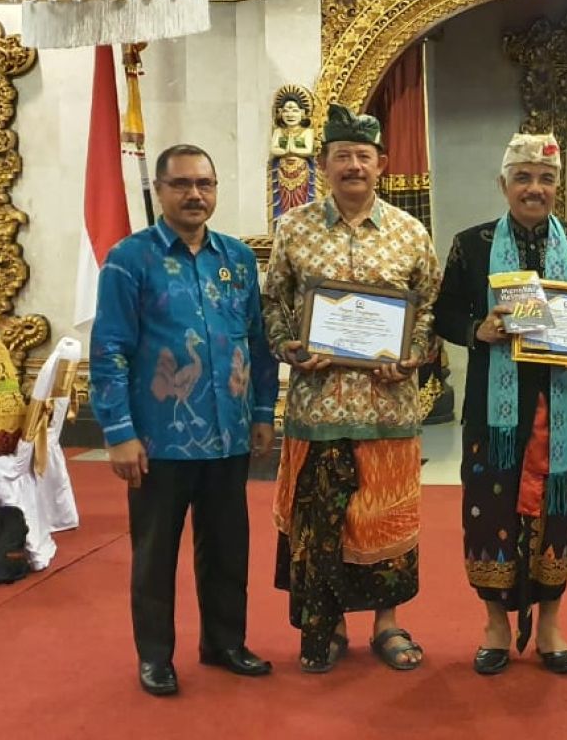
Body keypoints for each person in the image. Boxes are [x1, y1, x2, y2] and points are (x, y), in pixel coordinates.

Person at [90, 144, 279, 696]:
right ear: (161, 190)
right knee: (156, 553)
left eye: (205, 184)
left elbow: (258, 342)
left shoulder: (237, 258)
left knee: (227, 546)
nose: (195, 195)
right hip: (159, 439)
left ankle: (224, 643)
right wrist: (119, 434)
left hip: (228, 434)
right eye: (182, 185)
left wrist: (263, 411)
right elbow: (110, 351)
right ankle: (155, 656)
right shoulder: (130, 259)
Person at [262, 104, 441, 674]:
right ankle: (329, 626)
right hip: (317, 405)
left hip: (387, 406)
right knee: (321, 526)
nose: (354, 166)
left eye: (363, 156)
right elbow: (273, 302)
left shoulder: (411, 234)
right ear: (323, 164)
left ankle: (387, 625)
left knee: (385, 519)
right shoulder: (294, 229)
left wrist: (412, 356)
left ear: (381, 164)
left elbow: (430, 307)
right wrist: (290, 347)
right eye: (342, 156)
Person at [434, 132, 567, 676]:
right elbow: (442, 315)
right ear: (503, 184)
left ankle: (552, 626)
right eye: (524, 178)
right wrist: (477, 327)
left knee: (557, 513)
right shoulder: (473, 243)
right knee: (488, 514)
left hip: (559, 410)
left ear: (558, 185)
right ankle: (494, 625)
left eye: (546, 178)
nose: (535, 188)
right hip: (495, 409)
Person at [269, 86, 317, 228]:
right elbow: (274, 150)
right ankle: (284, 226)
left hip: (301, 173)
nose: (290, 114)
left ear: (303, 113)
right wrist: (290, 148)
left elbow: (308, 150)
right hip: (282, 173)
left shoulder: (306, 132)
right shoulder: (279, 132)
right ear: (280, 113)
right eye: (286, 110)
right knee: (284, 203)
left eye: (294, 110)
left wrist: (289, 148)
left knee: (301, 201)